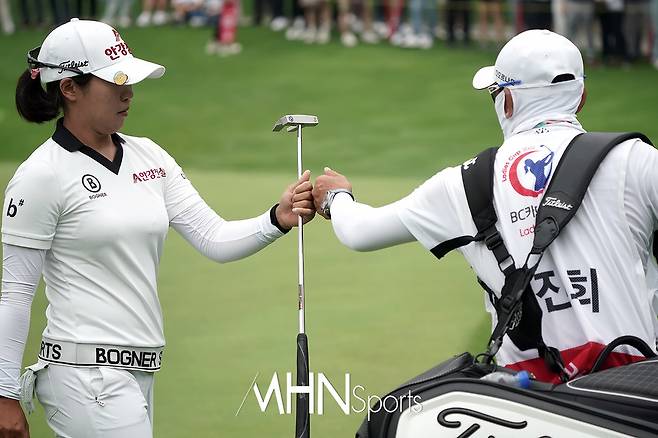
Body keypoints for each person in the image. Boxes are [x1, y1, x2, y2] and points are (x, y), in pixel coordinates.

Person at [0, 18, 315, 438]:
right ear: (70, 88)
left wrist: (277, 218)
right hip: (83, 376)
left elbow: (213, 237)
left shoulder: (150, 156)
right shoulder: (42, 175)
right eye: (115, 82)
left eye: (130, 81)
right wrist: (4, 394)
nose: (129, 93)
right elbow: (16, 292)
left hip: (139, 372)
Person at [313, 29, 658, 384]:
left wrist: (336, 196)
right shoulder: (637, 158)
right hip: (634, 396)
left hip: (533, 403)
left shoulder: (463, 183)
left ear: (507, 101)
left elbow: (359, 232)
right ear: (581, 98)